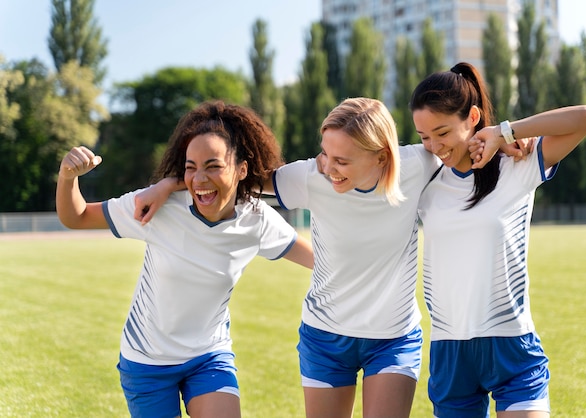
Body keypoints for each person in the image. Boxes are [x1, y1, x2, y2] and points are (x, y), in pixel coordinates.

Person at [136, 97, 525, 418]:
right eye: (325, 154)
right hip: (325, 337)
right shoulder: (311, 178)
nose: (327, 167)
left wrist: (502, 138)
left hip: (392, 337)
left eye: (341, 160)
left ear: (380, 156)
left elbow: (455, 144)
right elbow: (228, 176)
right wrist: (169, 183)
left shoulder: (418, 165)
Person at [56, 100, 314, 418]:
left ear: (242, 169)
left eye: (213, 165)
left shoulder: (257, 220)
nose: (199, 178)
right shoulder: (158, 208)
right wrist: (68, 176)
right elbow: (77, 217)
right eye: (190, 167)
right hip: (147, 361)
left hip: (209, 356)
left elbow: (322, 261)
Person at [409, 62, 586, 418]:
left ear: (473, 116)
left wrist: (506, 132)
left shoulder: (518, 166)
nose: (433, 146)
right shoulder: (424, 180)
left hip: (512, 348)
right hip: (451, 354)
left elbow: (584, 118)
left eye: (442, 132)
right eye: (423, 136)